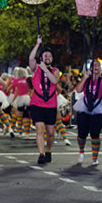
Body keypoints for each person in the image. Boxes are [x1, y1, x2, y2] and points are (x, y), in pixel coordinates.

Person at [28, 36, 61, 165]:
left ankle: (48, 150)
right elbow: (31, 58)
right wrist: (37, 44)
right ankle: (41, 154)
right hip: (37, 103)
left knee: (51, 133)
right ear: (41, 58)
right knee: (39, 129)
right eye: (45, 55)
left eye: (49, 56)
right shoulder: (36, 68)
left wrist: (45, 69)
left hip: (51, 104)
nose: (47, 57)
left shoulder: (55, 71)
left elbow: (54, 80)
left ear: (52, 59)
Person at [73, 59, 102, 165]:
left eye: (98, 65)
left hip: (99, 106)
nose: (96, 67)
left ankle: (94, 157)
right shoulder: (87, 80)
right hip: (85, 104)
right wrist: (84, 78)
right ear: (91, 68)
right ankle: (81, 151)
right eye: (94, 65)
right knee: (82, 133)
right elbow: (78, 90)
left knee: (95, 133)